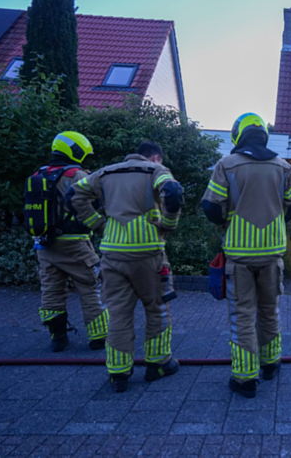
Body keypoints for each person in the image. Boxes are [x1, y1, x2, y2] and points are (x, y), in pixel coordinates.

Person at [68, 141, 184, 392]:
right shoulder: (155, 171)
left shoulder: (105, 173)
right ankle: (159, 364)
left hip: (112, 254)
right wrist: (168, 225)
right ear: (155, 158)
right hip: (148, 254)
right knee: (157, 309)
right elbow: (173, 192)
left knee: (119, 313)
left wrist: (98, 224)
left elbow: (73, 195)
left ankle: (118, 373)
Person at [202, 113, 291, 399]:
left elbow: (211, 207)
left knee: (242, 315)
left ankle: (245, 378)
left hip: (240, 257)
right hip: (271, 255)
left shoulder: (226, 165)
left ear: (237, 135)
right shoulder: (284, 167)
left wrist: (228, 220)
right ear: (264, 135)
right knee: (269, 311)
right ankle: (270, 364)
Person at [30, 132, 109, 352]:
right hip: (75, 244)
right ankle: (99, 338)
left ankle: (58, 338)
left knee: (51, 290)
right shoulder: (77, 175)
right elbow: (95, 204)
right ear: (76, 150)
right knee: (91, 286)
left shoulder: (39, 174)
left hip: (45, 244)